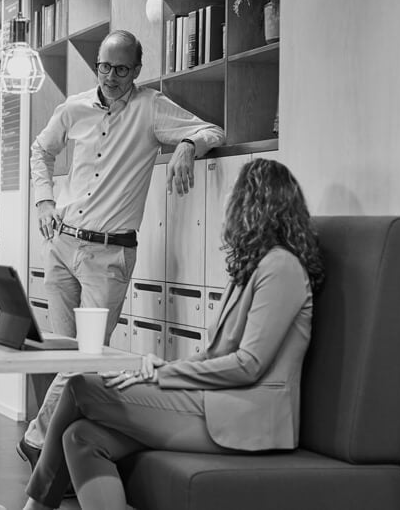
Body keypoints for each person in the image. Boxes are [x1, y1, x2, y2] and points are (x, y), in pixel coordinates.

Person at [21, 158, 326, 510]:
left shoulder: (281, 266)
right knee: (81, 437)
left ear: (255, 206)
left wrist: (165, 374)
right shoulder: (251, 266)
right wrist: (157, 367)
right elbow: (214, 355)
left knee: (80, 387)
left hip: (246, 417)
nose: (226, 204)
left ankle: (34, 507)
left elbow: (249, 365)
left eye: (233, 196)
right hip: (217, 402)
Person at [21, 29, 226, 464]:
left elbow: (213, 131)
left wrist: (188, 145)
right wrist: (43, 201)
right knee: (63, 355)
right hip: (61, 245)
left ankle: (37, 442)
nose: (110, 76)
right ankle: (58, 456)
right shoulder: (73, 108)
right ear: (96, 64)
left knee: (86, 357)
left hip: (108, 256)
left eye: (121, 69)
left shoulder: (151, 109)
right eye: (103, 67)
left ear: (136, 70)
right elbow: (40, 151)